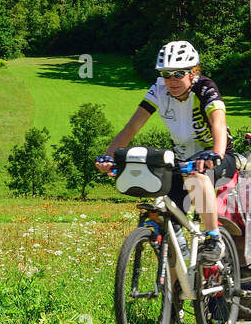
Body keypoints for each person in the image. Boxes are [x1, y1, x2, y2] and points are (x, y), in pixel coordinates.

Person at [95, 40, 236, 264]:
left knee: (197, 176)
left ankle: (213, 239)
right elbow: (132, 126)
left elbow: (218, 123)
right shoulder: (159, 89)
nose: (172, 80)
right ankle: (178, 285)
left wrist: (216, 153)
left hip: (218, 157)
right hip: (181, 159)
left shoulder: (205, 88)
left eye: (178, 74)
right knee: (164, 217)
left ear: (193, 72)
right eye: (166, 74)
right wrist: (109, 155)